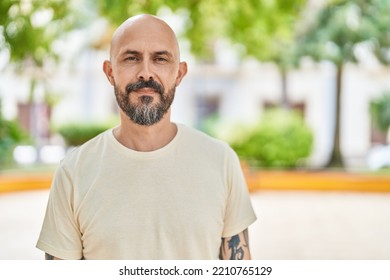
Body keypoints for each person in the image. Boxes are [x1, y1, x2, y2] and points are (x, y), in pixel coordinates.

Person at [36, 14, 257, 260]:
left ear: (180, 73)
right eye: (131, 58)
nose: (146, 72)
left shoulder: (221, 161)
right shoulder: (73, 173)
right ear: (110, 72)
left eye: (160, 59)